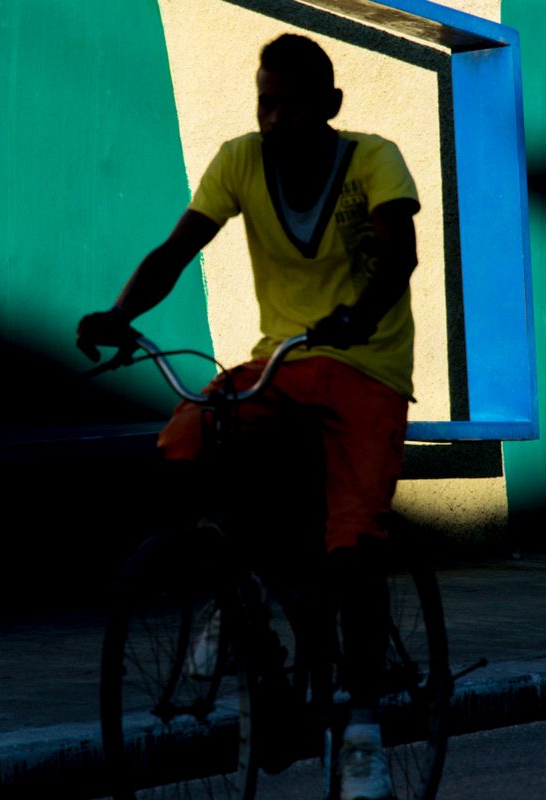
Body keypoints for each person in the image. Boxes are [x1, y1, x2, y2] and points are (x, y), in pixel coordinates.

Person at [78, 33, 419, 800]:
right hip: (285, 363)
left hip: (365, 366)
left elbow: (398, 255)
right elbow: (177, 249)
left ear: (330, 107)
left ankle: (362, 730)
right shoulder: (239, 161)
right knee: (190, 438)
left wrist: (359, 315)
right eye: (267, 102)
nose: (277, 120)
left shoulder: (374, 159)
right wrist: (120, 311)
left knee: (354, 540)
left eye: (294, 106)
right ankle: (237, 597)